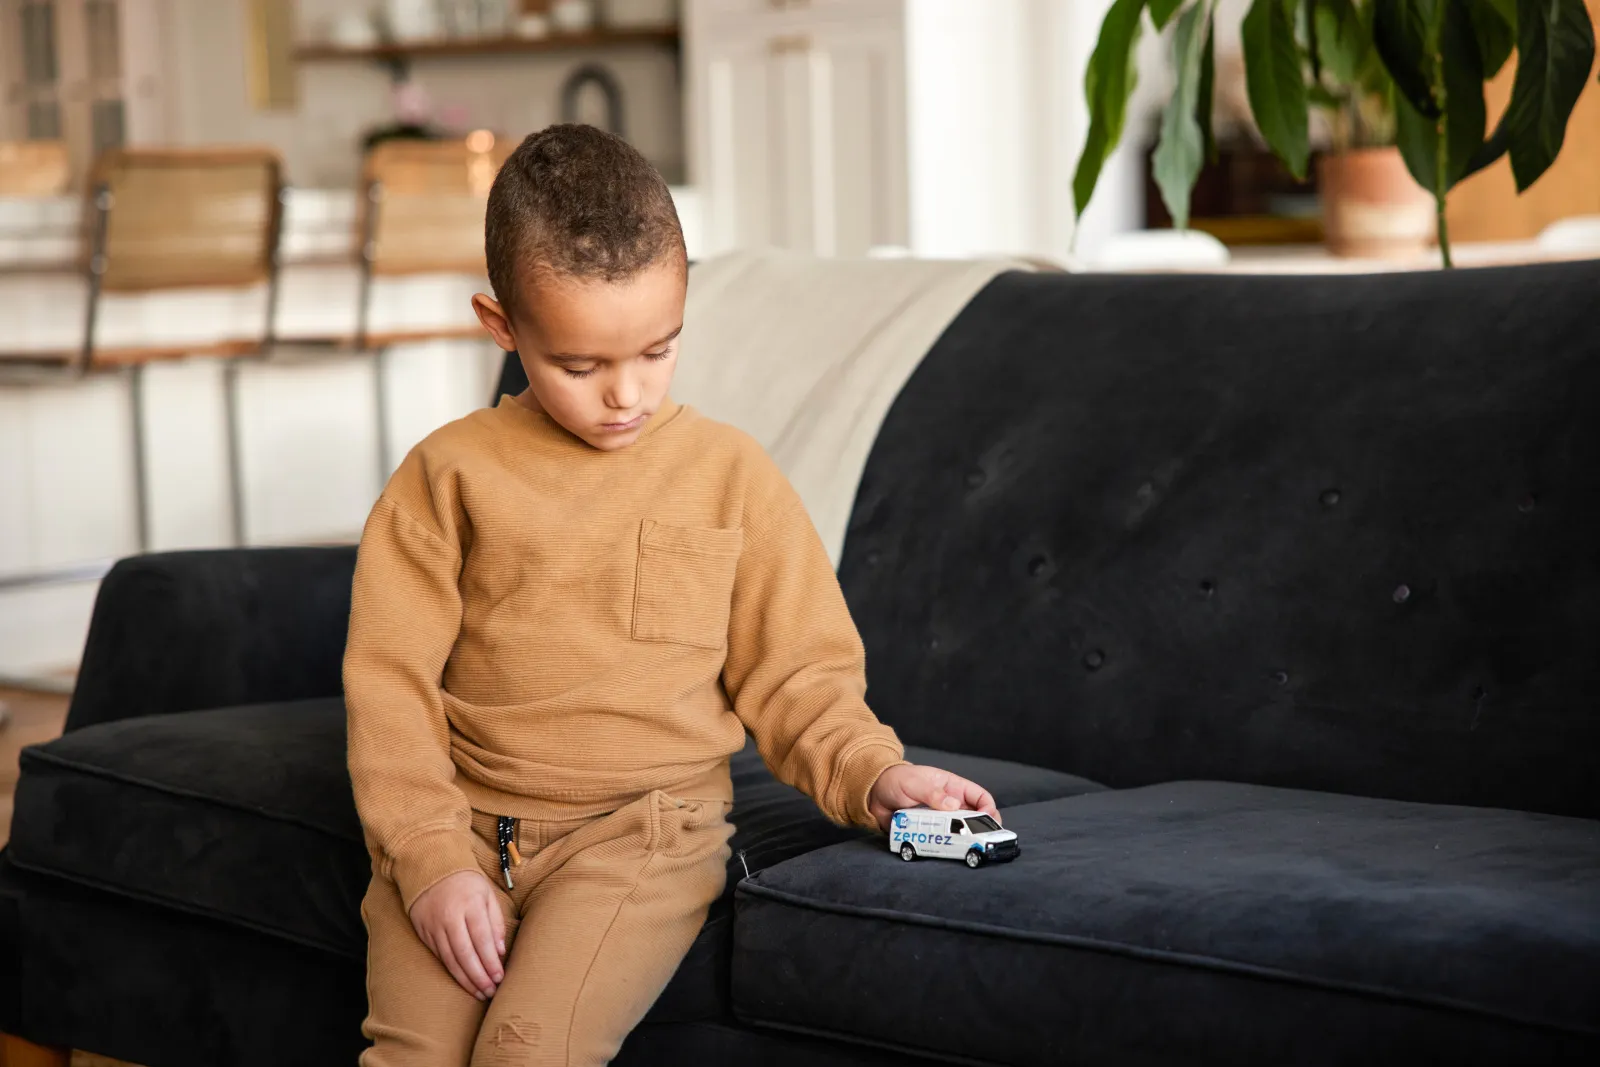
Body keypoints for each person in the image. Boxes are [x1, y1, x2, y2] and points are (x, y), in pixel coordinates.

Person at [344, 123, 1000, 1067]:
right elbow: (388, 689)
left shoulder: (730, 475)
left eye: (658, 349)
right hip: (458, 826)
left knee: (528, 1053)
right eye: (580, 366)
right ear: (503, 328)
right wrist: (431, 861)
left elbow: (800, 674)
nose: (626, 394)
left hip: (641, 837)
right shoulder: (445, 477)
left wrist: (875, 774)